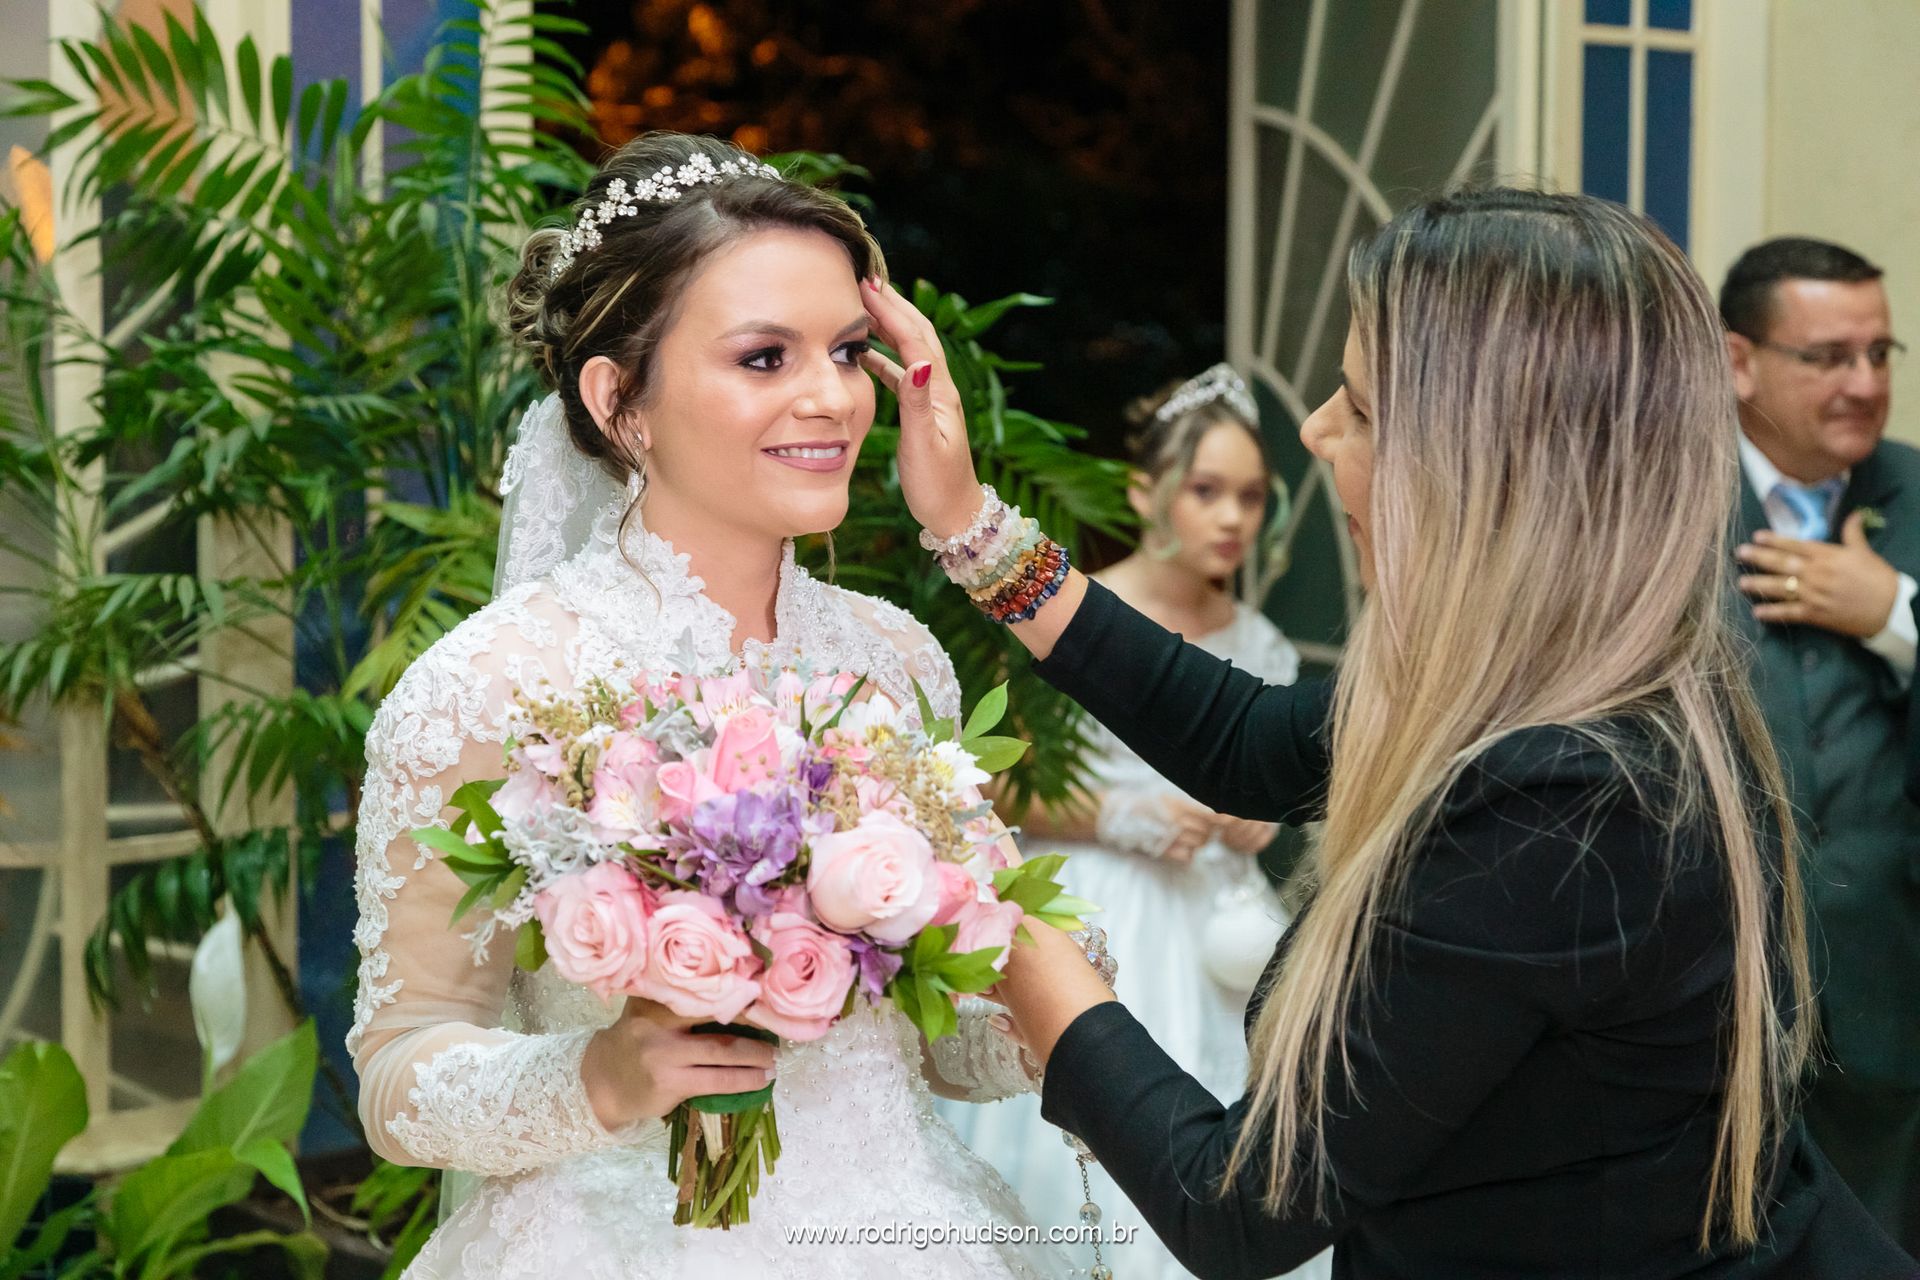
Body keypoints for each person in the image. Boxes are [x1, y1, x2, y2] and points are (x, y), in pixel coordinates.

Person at [861, 188, 1916, 1278]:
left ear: (1484, 471)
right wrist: (971, 526)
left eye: (1360, 409)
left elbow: (1238, 1203)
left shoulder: (1562, 805)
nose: (1316, 430)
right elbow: (1249, 738)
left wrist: (1022, 939)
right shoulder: (1552, 676)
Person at [348, 133, 1063, 1278]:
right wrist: (597, 1075)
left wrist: (1043, 1018)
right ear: (618, 400)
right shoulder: (488, 687)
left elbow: (933, 1042)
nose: (832, 397)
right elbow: (397, 1072)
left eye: (848, 350)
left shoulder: (896, 662)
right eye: (765, 356)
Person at [937, 366, 1328, 1280]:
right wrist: (1121, 815)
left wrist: (1262, 818)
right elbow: (986, 783)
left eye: (1251, 497)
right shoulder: (1072, 621)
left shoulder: (1263, 640)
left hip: (1219, 922)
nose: (1231, 518)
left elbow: (1268, 762)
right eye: (1206, 490)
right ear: (1146, 492)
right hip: (1101, 902)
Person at [1719, 236, 1920, 1253]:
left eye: (1880, 353)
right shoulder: (1659, 495)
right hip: (1713, 991)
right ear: (1738, 362)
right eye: (1829, 356)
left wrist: (1897, 615)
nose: (1865, 383)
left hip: (1892, 991)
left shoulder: (1916, 491)